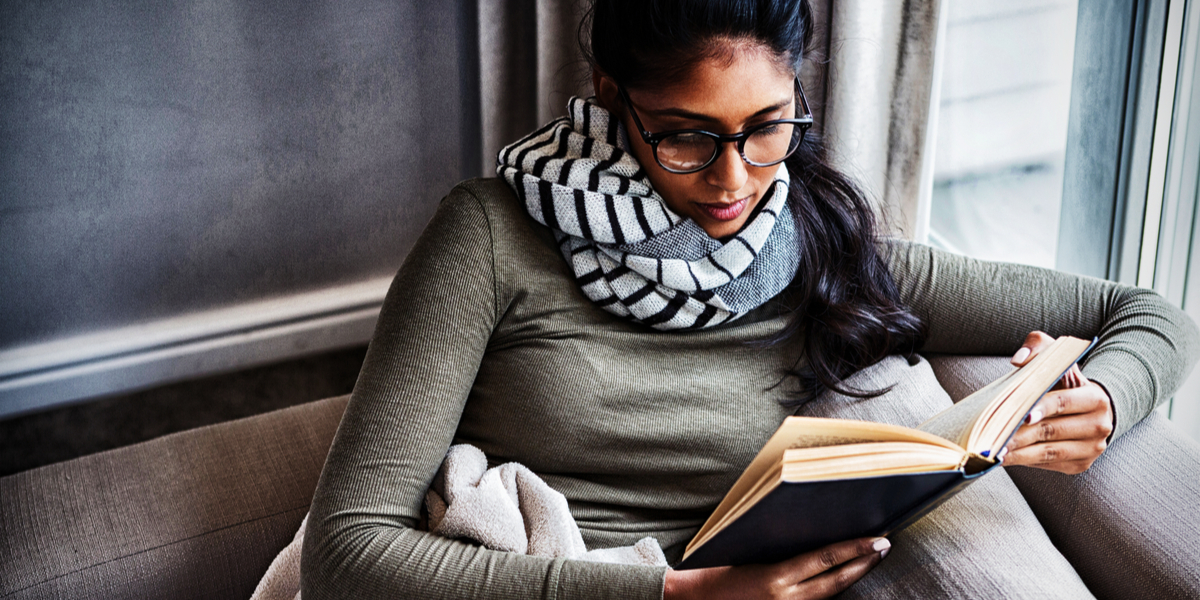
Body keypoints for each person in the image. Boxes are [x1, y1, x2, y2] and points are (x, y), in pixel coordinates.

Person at [301, 1, 1199, 598]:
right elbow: (348, 551)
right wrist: (671, 595)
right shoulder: (489, 235)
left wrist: (1108, 401)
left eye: (768, 128)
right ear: (614, 99)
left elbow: (1149, 312)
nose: (733, 182)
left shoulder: (815, 242)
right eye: (687, 138)